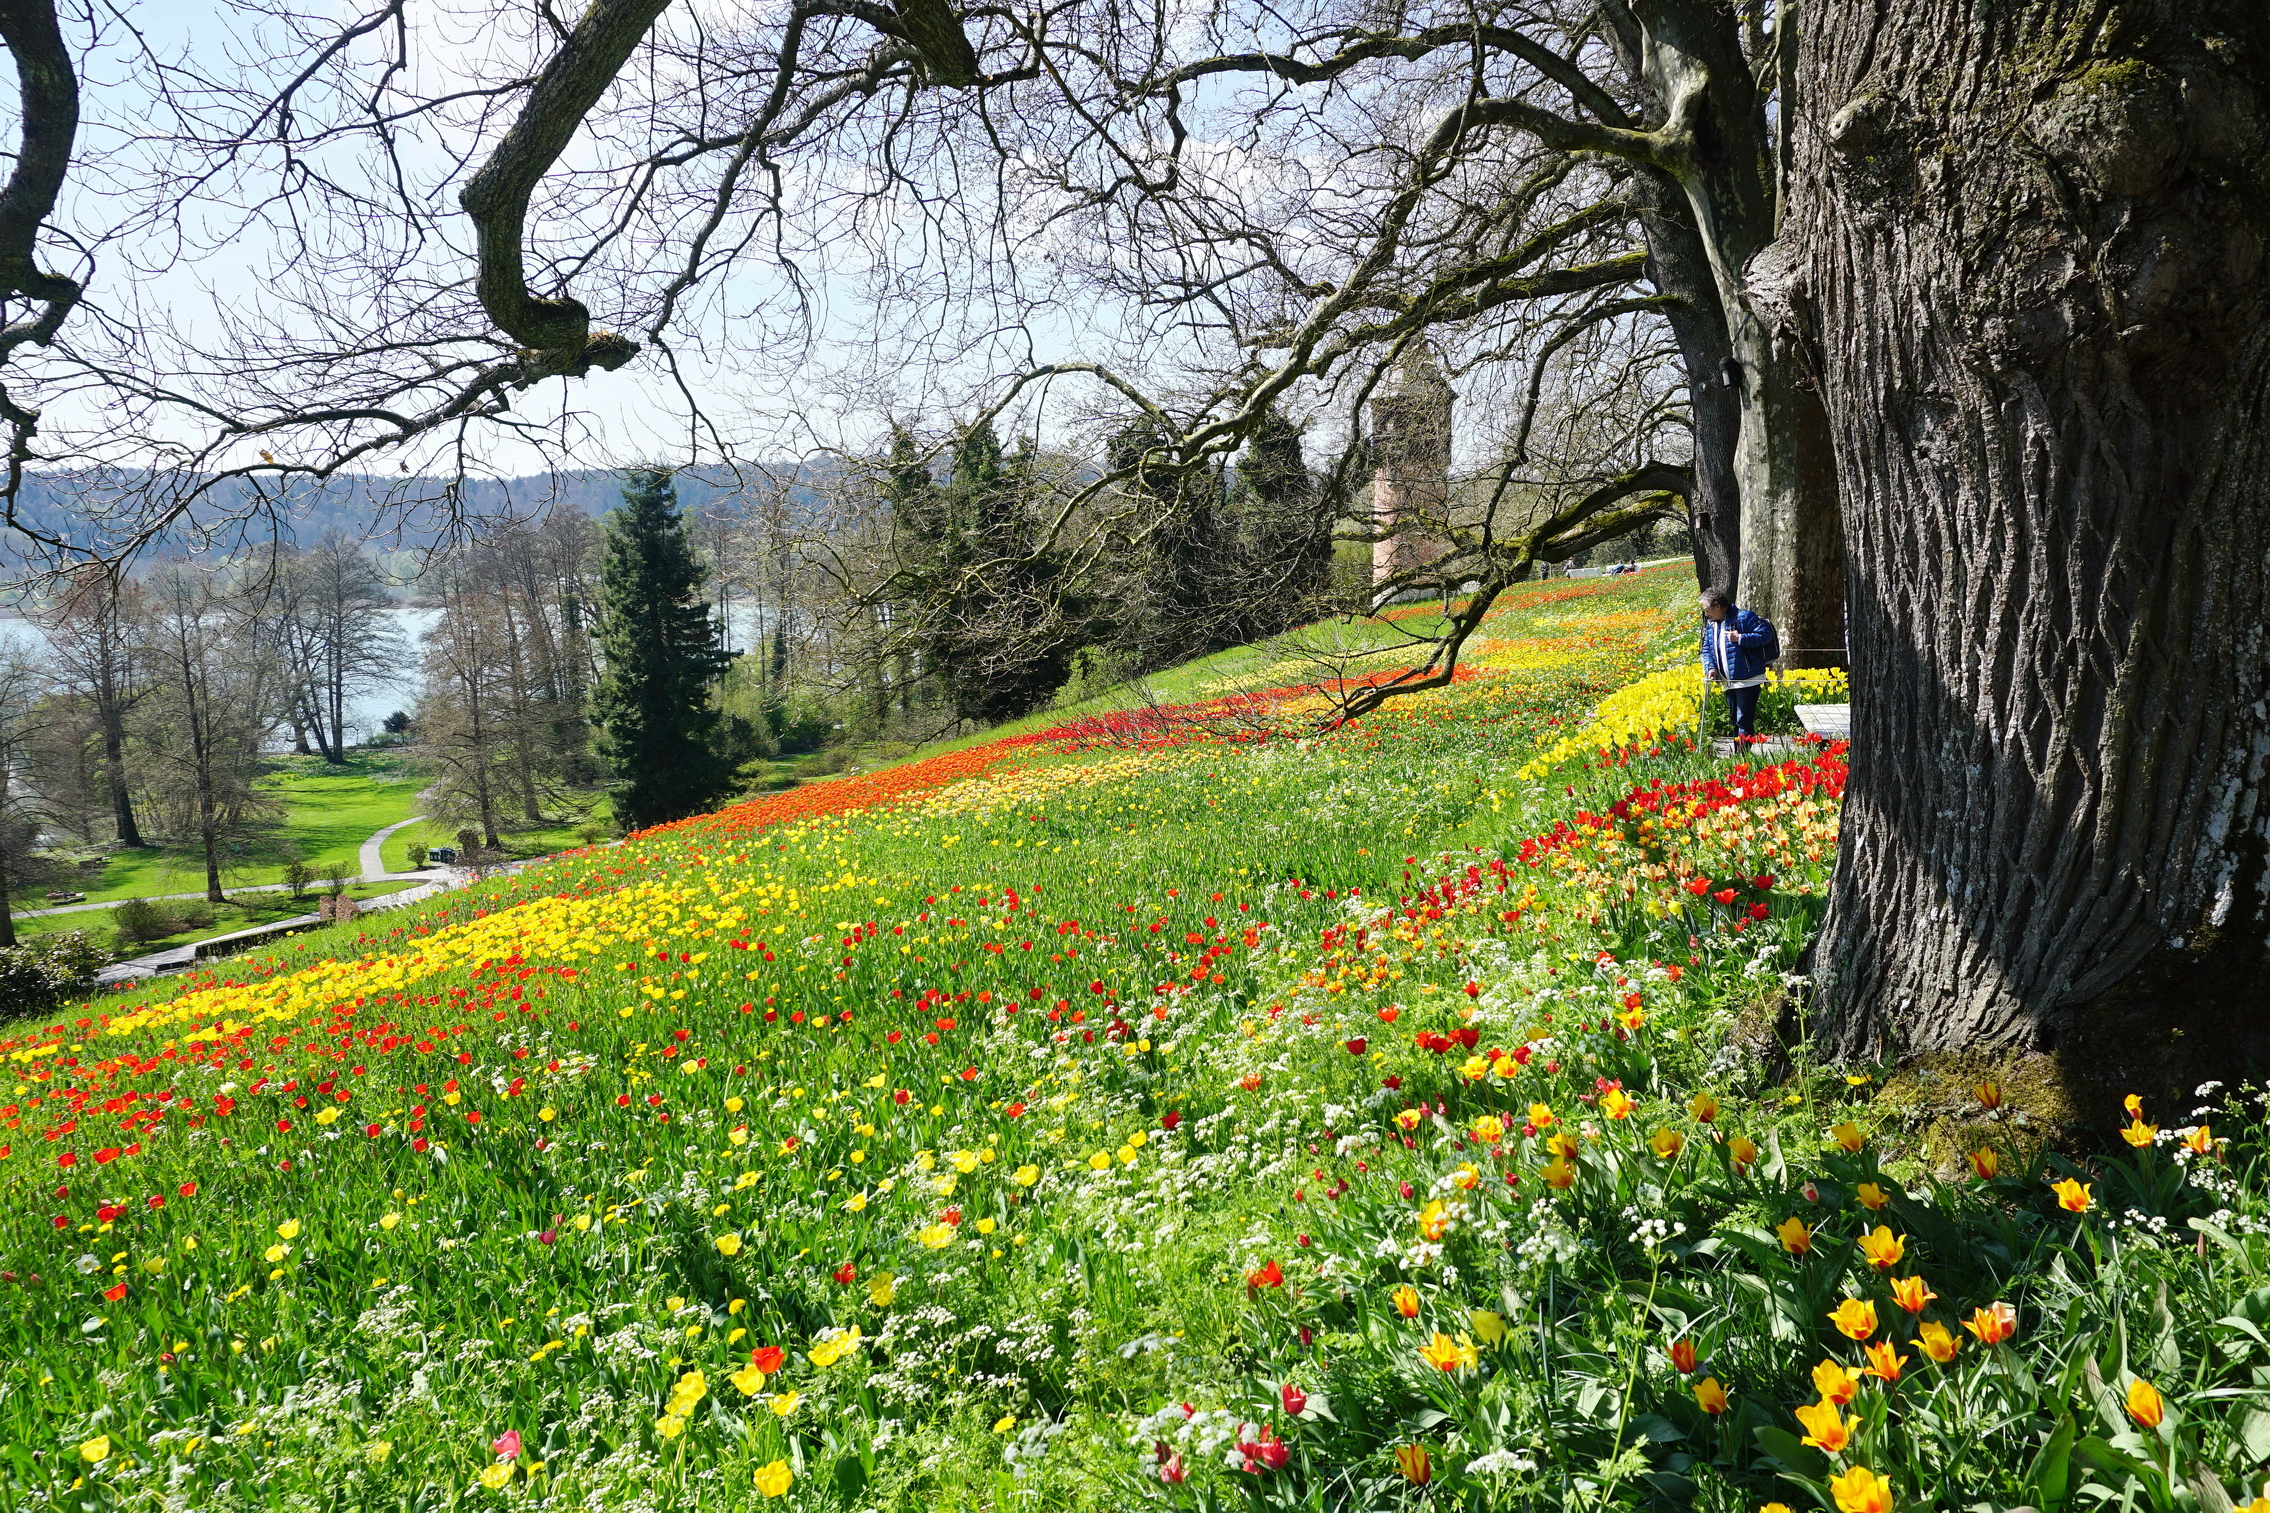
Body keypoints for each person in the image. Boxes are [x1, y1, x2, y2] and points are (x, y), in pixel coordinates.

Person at [1699, 587, 1771, 738]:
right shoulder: (1712, 624)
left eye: (1707, 609)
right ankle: (1739, 757)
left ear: (1717, 606)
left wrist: (1740, 638)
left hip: (1747, 680)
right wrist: (1710, 668)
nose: (1706, 614)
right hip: (1728, 682)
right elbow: (1706, 649)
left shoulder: (1744, 617)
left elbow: (1765, 635)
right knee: (1734, 720)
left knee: (1743, 721)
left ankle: (1743, 757)